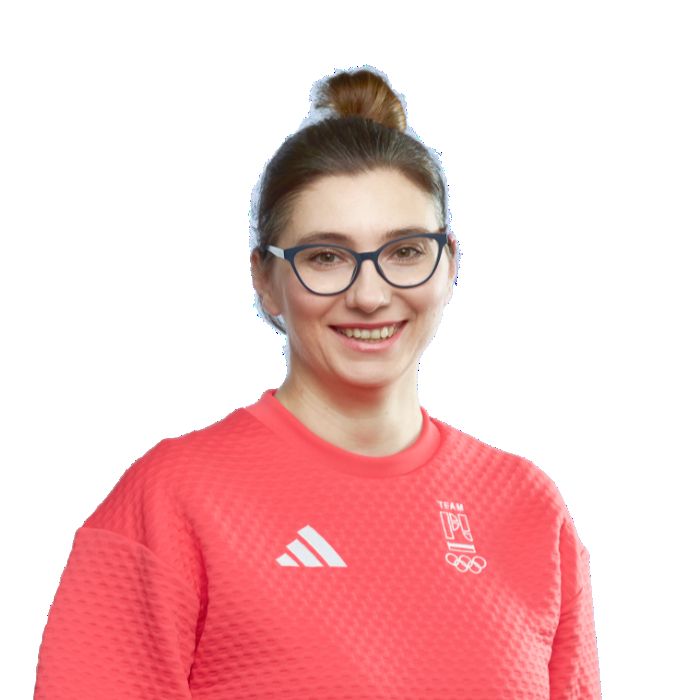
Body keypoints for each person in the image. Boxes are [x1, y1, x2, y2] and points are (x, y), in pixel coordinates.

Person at [33, 66, 602, 699]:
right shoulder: (172, 501)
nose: (370, 295)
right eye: (325, 257)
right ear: (266, 280)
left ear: (449, 265)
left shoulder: (530, 510)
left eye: (406, 251)